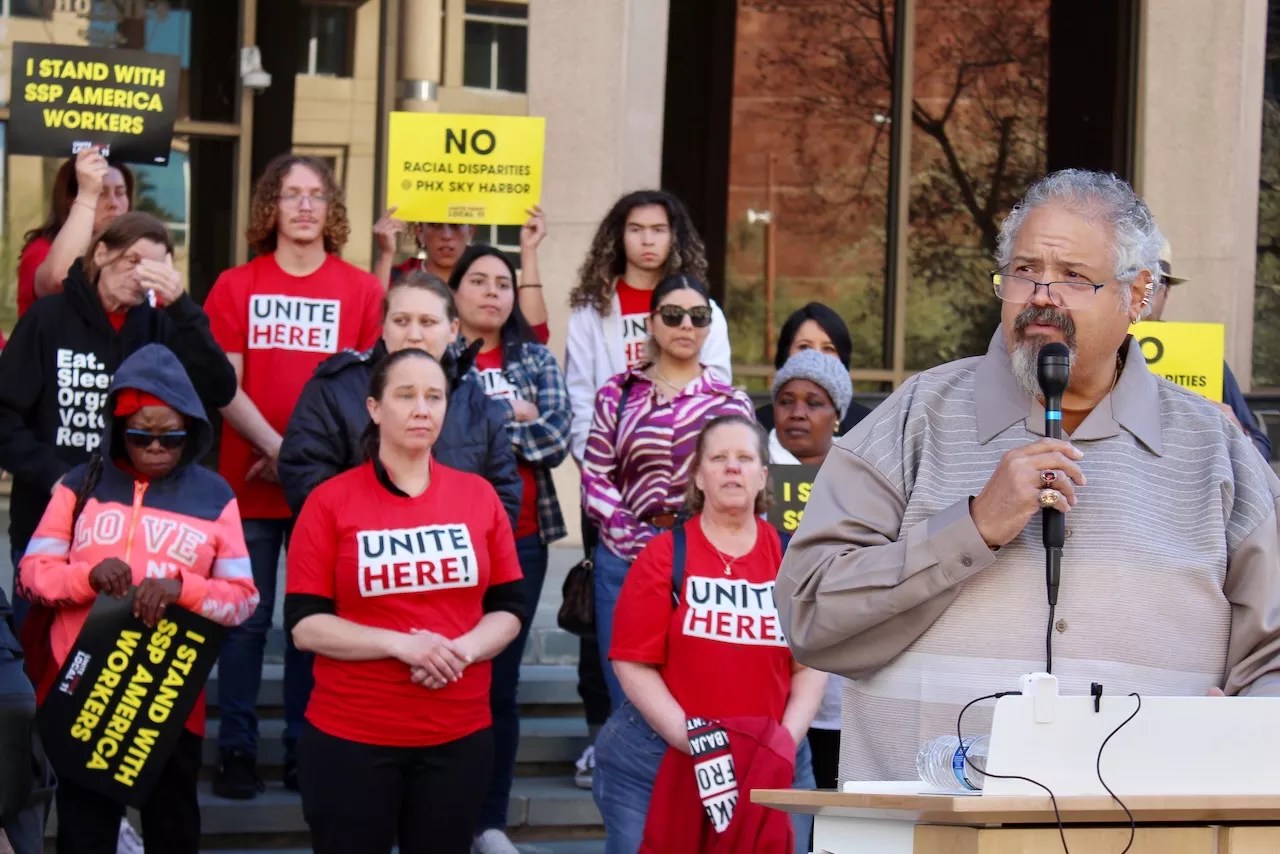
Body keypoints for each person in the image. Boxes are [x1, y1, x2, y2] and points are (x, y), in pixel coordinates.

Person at [774, 169, 1280, 785]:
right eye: (1023, 270)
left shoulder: (1216, 450)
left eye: (1073, 276)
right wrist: (973, 528)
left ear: (1139, 294)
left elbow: (1273, 656)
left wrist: (1242, 735)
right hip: (929, 836)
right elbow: (809, 617)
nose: (1042, 294)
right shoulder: (911, 420)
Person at [20, 343, 259, 854]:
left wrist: (183, 589)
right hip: (83, 693)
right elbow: (32, 574)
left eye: (171, 437)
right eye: (140, 436)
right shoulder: (76, 484)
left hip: (169, 701)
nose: (156, 448)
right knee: (85, 838)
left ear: (192, 429)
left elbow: (242, 600)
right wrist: (86, 577)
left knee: (173, 835)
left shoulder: (217, 496)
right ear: (116, 429)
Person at [285, 347, 524, 854]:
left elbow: (509, 608)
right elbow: (306, 626)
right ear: (374, 408)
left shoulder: (479, 497)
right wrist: (403, 645)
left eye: (434, 396)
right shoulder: (329, 501)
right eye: (406, 395)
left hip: (459, 738)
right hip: (351, 740)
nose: (422, 408)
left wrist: (457, 652)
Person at [203, 154, 385, 798]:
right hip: (245, 479)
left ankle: (308, 749)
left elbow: (369, 393)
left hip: (331, 489)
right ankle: (238, 750)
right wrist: (282, 448)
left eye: (315, 195)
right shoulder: (234, 285)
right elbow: (224, 383)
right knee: (246, 622)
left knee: (313, 623)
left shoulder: (364, 291)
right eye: (290, 195)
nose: (304, 206)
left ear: (330, 208)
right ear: (270, 208)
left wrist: (300, 461)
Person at [593, 415, 825, 854]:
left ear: (763, 476)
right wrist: (697, 742)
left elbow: (810, 662)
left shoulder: (791, 559)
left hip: (774, 761)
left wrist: (780, 745)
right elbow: (632, 662)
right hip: (658, 758)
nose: (732, 468)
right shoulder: (663, 554)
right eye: (719, 458)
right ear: (698, 475)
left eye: (744, 458)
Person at [565, 191, 734, 787]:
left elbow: (728, 455)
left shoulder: (722, 384)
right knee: (621, 666)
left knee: (692, 673)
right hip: (620, 530)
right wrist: (622, 526)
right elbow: (585, 421)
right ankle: (623, 775)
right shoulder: (605, 350)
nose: (685, 325)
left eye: (657, 229)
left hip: (696, 546)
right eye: (634, 229)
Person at [0, 212, 236, 629]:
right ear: (101, 253)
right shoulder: (50, 318)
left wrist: (182, 307)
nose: (140, 275)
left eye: (155, 266)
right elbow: (4, 417)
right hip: (48, 521)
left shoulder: (161, 325)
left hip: (140, 538)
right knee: (36, 669)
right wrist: (56, 476)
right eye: (132, 260)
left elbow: (220, 388)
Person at [446, 244, 573, 854]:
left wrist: (484, 418)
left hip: (521, 541)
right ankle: (439, 814)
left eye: (504, 282)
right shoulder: (437, 360)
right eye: (479, 280)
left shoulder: (536, 358)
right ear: (455, 291)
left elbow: (554, 440)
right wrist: (508, 414)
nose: (493, 292)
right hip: (445, 540)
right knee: (448, 673)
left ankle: (487, 821)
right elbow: (442, 439)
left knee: (498, 684)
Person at [581, 274, 755, 712]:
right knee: (627, 694)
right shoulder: (616, 394)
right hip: (623, 559)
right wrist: (638, 541)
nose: (686, 326)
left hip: (702, 564)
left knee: (694, 692)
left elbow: (740, 488)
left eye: (698, 316)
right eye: (673, 315)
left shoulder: (729, 402)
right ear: (652, 322)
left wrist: (684, 547)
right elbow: (595, 477)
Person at [278, 270, 522, 525]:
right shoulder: (334, 389)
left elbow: (502, 496)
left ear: (453, 330)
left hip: (454, 559)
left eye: (427, 322)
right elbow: (306, 477)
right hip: (362, 554)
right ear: (383, 327)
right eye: (401, 321)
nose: (414, 335)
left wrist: (458, 548)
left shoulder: (475, 398)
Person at [767, 349, 855, 794]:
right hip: (766, 676)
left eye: (813, 402)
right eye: (786, 400)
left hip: (835, 681)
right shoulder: (749, 472)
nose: (797, 413)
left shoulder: (865, 478)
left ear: (836, 414)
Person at [1145, 240, 1271, 461]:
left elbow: (1261, 449)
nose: (1140, 296)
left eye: (1152, 285)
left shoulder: (1201, 355)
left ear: (1167, 293)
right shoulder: (1087, 354)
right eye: (1127, 282)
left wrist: (1238, 436)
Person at [372, 206, 551, 342]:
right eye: (435, 225)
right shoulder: (399, 276)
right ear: (420, 233)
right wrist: (386, 254)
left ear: (471, 231)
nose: (446, 235)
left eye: (456, 225)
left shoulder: (490, 279)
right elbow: (372, 331)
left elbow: (535, 335)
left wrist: (529, 250)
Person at [18, 149, 133, 316]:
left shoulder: (135, 252)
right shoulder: (42, 249)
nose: (113, 203)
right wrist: (87, 195)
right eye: (101, 193)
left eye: (120, 193)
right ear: (71, 202)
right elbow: (60, 279)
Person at [755, 302, 872, 436]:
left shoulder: (868, 427)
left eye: (828, 348)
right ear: (785, 354)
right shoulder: (756, 426)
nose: (815, 356)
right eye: (804, 347)